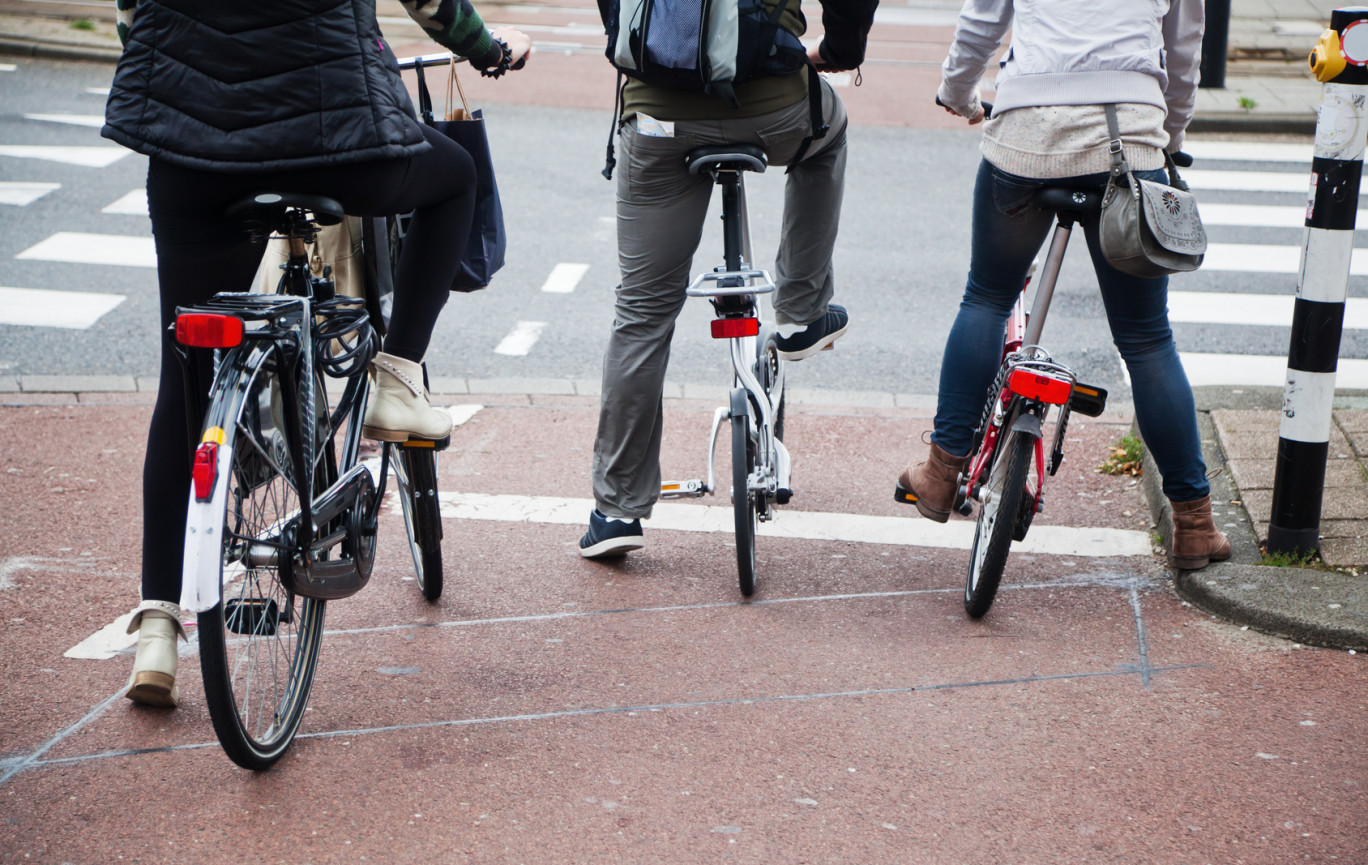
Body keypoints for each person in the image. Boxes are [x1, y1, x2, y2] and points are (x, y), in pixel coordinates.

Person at [102, 0, 531, 708]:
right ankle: (396, 374)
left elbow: (132, 11)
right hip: (334, 140)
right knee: (454, 179)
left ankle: (156, 628)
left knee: (184, 379)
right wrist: (484, 48)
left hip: (190, 149)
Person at [896, 0, 1230, 571]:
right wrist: (1169, 136)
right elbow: (1184, 49)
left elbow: (982, 21)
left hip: (1028, 135)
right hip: (1127, 142)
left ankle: (938, 475)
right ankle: (1194, 523)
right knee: (1146, 339)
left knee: (987, 296)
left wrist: (957, 92)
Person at [578, 0, 879, 558]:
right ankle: (798, 311)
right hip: (775, 109)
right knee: (827, 136)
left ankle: (616, 510)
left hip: (656, 117)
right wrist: (841, 50)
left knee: (641, 313)